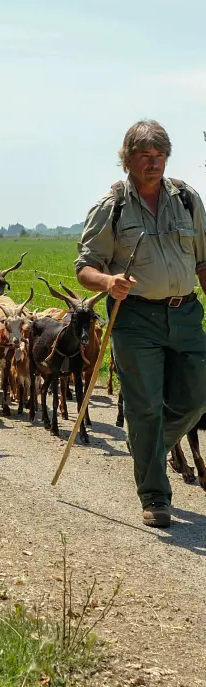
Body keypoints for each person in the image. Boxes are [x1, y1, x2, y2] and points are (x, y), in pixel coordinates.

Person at [75, 119, 206, 528]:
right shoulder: (111, 206)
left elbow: (203, 262)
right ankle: (155, 495)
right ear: (128, 159)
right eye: (145, 156)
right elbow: (85, 268)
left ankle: (146, 448)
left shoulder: (186, 199)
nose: (154, 163)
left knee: (197, 397)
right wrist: (108, 281)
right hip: (135, 318)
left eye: (160, 155)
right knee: (145, 406)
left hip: (186, 313)